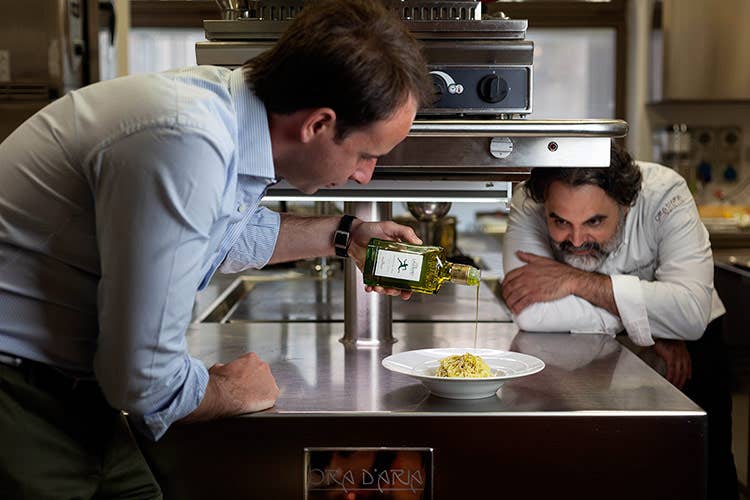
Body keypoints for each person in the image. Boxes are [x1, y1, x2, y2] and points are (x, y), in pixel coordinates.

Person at [0, 0, 434, 497]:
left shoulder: (225, 117)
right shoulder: (186, 141)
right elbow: (143, 382)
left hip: (74, 393)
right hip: (18, 392)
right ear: (317, 124)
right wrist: (231, 391)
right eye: (366, 154)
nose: (364, 175)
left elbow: (224, 234)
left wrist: (346, 234)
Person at [500, 142, 737, 499]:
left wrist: (575, 282)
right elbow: (532, 313)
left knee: (704, 468)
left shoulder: (665, 194)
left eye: (594, 221)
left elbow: (689, 315)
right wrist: (647, 323)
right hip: (587, 355)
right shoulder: (529, 198)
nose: (576, 240)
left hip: (689, 354)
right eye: (560, 221)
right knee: (609, 469)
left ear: (626, 205)